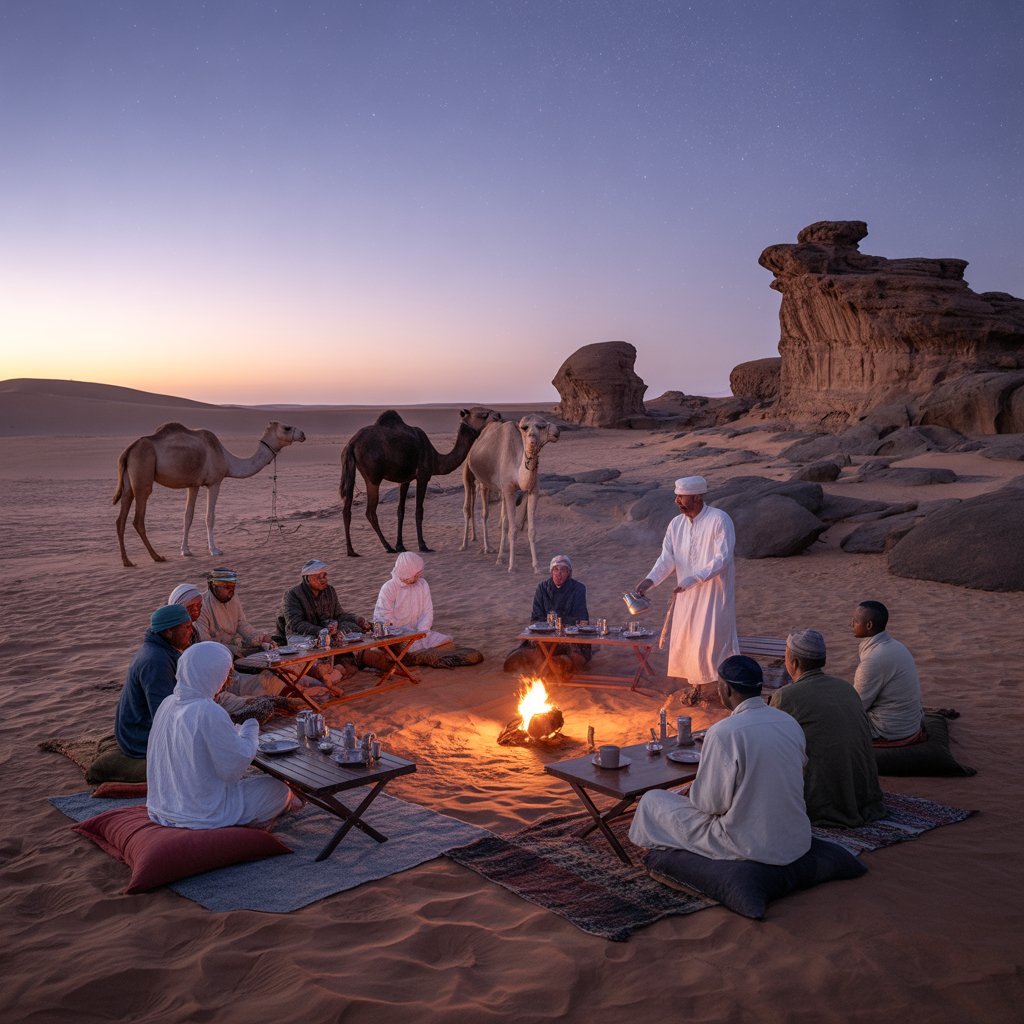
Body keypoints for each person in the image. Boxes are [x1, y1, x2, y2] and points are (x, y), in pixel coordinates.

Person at [628, 655, 811, 864]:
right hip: (796, 839)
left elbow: (710, 805)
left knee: (651, 801)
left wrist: (695, 792)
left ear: (727, 689)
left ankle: (655, 860)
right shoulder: (789, 723)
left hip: (749, 843)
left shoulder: (724, 732)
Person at [147, 642, 297, 829]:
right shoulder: (207, 710)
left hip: (163, 806)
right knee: (279, 790)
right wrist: (251, 723)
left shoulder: (167, 703)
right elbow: (236, 764)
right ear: (211, 673)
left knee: (261, 786)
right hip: (202, 812)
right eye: (225, 674)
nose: (228, 681)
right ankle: (247, 826)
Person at [634, 476, 738, 702]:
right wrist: (649, 581)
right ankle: (697, 686)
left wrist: (695, 578)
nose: (677, 501)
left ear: (697, 497)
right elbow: (667, 559)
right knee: (690, 639)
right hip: (686, 594)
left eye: (681, 497)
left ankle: (721, 689)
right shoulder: (676, 524)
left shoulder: (719, 519)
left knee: (712, 640)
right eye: (677, 496)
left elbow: (723, 558)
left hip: (712, 594)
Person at [770, 629, 886, 827]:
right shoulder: (846, 688)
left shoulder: (786, 696)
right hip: (863, 794)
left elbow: (769, 744)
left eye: (785, 656)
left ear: (794, 662)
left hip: (822, 799)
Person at [85, 604, 197, 785]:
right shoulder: (156, 661)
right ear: (169, 631)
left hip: (139, 728)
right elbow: (163, 715)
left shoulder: (163, 651)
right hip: (138, 738)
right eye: (187, 627)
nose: (191, 632)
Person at [369, 552, 482, 668]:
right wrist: (391, 636)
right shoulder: (389, 588)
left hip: (418, 633)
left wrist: (422, 632)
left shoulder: (422, 584)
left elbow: (427, 612)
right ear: (406, 571)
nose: (418, 577)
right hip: (398, 635)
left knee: (445, 641)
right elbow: (381, 616)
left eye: (419, 574)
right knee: (405, 649)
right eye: (415, 574)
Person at [503, 554, 591, 679]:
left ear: (569, 573)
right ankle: (543, 660)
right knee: (534, 646)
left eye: (563, 570)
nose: (559, 574)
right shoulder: (542, 588)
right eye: (556, 569)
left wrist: (559, 623)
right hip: (546, 633)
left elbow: (581, 618)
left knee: (575, 654)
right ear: (551, 572)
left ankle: (557, 662)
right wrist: (552, 625)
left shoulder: (578, 588)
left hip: (568, 635)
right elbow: (536, 617)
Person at [852, 601, 924, 742]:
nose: (851, 624)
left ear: (869, 625)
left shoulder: (873, 660)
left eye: (855, 621)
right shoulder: (897, 646)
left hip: (889, 730)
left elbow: (858, 706)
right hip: (910, 723)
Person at [196, 567, 276, 656]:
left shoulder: (233, 597)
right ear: (213, 585)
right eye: (226, 586)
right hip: (216, 653)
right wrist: (233, 650)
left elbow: (241, 623)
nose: (231, 590)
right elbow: (205, 643)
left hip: (236, 645)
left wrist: (259, 637)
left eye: (233, 586)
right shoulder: (201, 606)